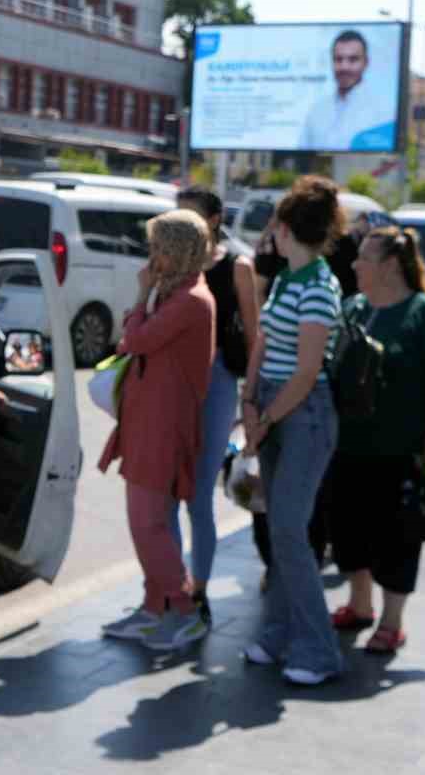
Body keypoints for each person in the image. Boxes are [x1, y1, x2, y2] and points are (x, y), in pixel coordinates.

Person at [330, 228, 425, 653]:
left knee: (396, 537)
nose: (354, 265)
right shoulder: (353, 308)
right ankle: (359, 603)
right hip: (347, 445)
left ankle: (391, 619)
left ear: (389, 266)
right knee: (349, 531)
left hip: (400, 449)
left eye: (363, 258)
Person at [240, 176, 345, 686]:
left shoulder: (322, 287)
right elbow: (262, 340)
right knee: (283, 530)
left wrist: (264, 416)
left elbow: (307, 373)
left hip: (303, 416)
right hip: (277, 411)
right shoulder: (286, 279)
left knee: (287, 530)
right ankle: (280, 633)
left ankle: (319, 649)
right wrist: (249, 398)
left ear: (285, 229)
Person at [97, 209, 217, 651]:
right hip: (150, 421)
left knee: (148, 523)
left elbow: (135, 342)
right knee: (146, 521)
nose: (151, 256)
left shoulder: (189, 300)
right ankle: (153, 607)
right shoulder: (178, 293)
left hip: (163, 427)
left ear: (176, 251)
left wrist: (143, 292)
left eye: (158, 247)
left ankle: (185, 610)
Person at [171, 187, 258, 625]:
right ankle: (169, 586)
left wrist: (251, 397)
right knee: (166, 494)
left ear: (214, 219)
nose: (182, 225)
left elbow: (254, 338)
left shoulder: (235, 267)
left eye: (190, 216)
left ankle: (198, 590)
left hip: (218, 382)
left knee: (198, 495)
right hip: (172, 387)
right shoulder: (170, 262)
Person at [298, 31, 396, 151]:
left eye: (353, 59)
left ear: (366, 63)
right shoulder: (317, 110)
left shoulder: (384, 111)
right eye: (338, 59)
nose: (344, 67)